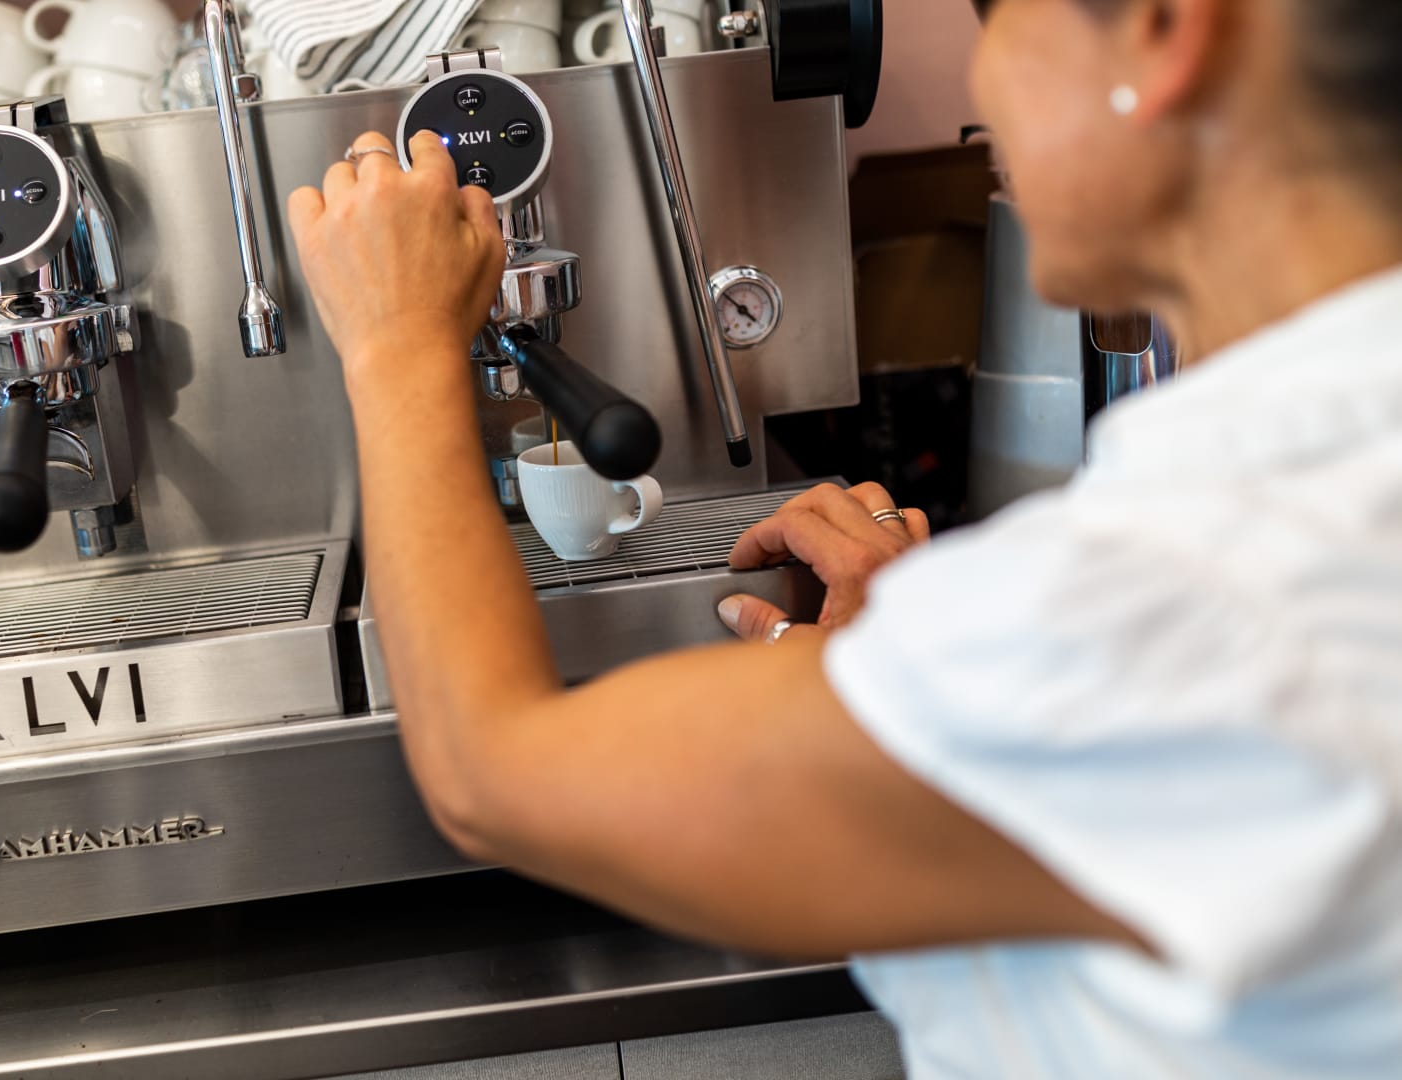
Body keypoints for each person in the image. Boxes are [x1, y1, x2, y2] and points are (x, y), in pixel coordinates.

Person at [285, 0, 1402, 1074]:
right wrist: (914, 681)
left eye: (997, 17)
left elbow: (492, 773)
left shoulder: (1184, 594)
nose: (980, 84)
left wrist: (396, 339)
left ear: (1162, 29)